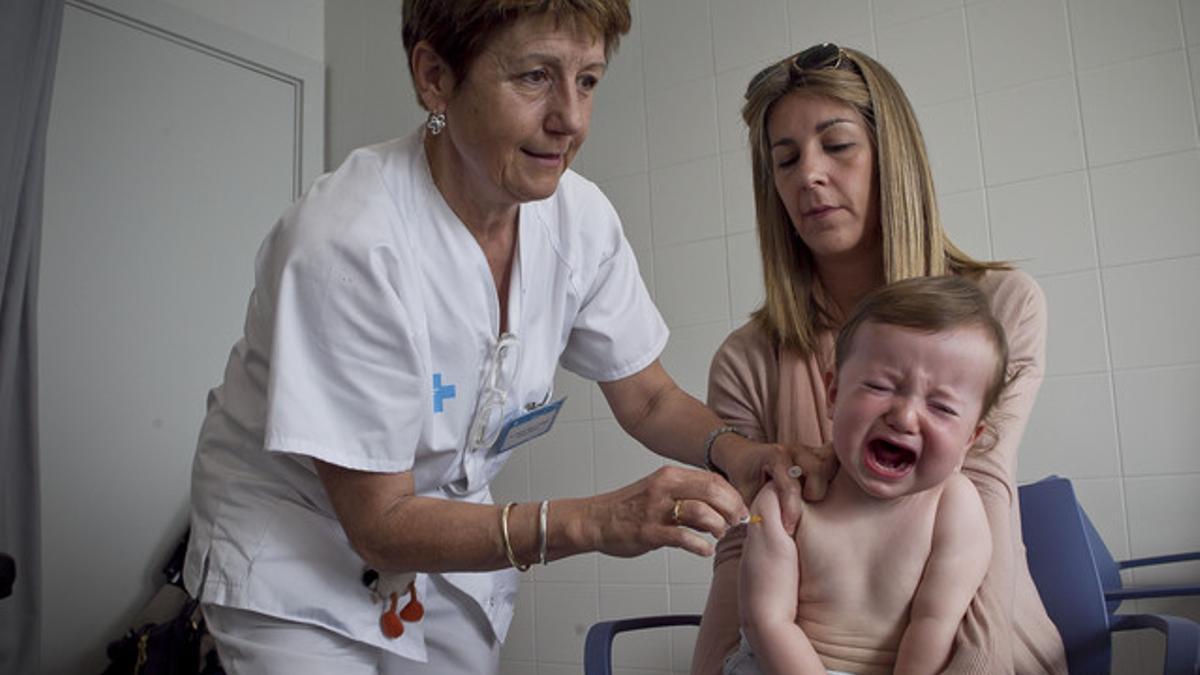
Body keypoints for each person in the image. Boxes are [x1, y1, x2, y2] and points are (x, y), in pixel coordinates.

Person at [180, 2, 812, 673]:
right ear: (435, 77)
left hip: (440, 538)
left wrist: (735, 452)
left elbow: (648, 397)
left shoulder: (579, 220)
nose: (570, 118)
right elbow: (380, 523)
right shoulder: (349, 244)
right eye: (536, 76)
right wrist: (597, 521)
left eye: (589, 80)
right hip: (298, 555)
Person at [691, 43, 1068, 674]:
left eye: (836, 146)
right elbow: (742, 553)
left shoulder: (1001, 306)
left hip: (980, 639)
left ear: (891, 156)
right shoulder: (745, 359)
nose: (808, 175)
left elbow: (982, 490)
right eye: (785, 160)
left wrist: (976, 664)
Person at [727, 276, 1008, 675]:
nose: (905, 417)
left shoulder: (954, 505)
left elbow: (934, 624)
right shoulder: (786, 500)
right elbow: (765, 620)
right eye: (879, 386)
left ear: (971, 439)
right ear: (834, 393)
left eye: (942, 407)